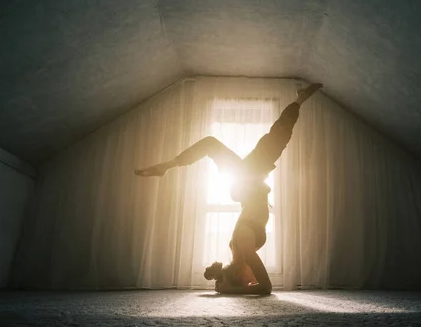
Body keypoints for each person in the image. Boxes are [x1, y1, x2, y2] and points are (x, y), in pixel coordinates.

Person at [134, 83, 323, 295]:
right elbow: (255, 283)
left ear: (237, 275)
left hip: (246, 181)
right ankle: (298, 100)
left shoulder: (242, 248)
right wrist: (230, 286)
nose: (253, 279)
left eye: (247, 280)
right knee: (274, 137)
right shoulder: (241, 250)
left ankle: (167, 166)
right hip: (248, 183)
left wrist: (231, 290)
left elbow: (266, 288)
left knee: (261, 138)